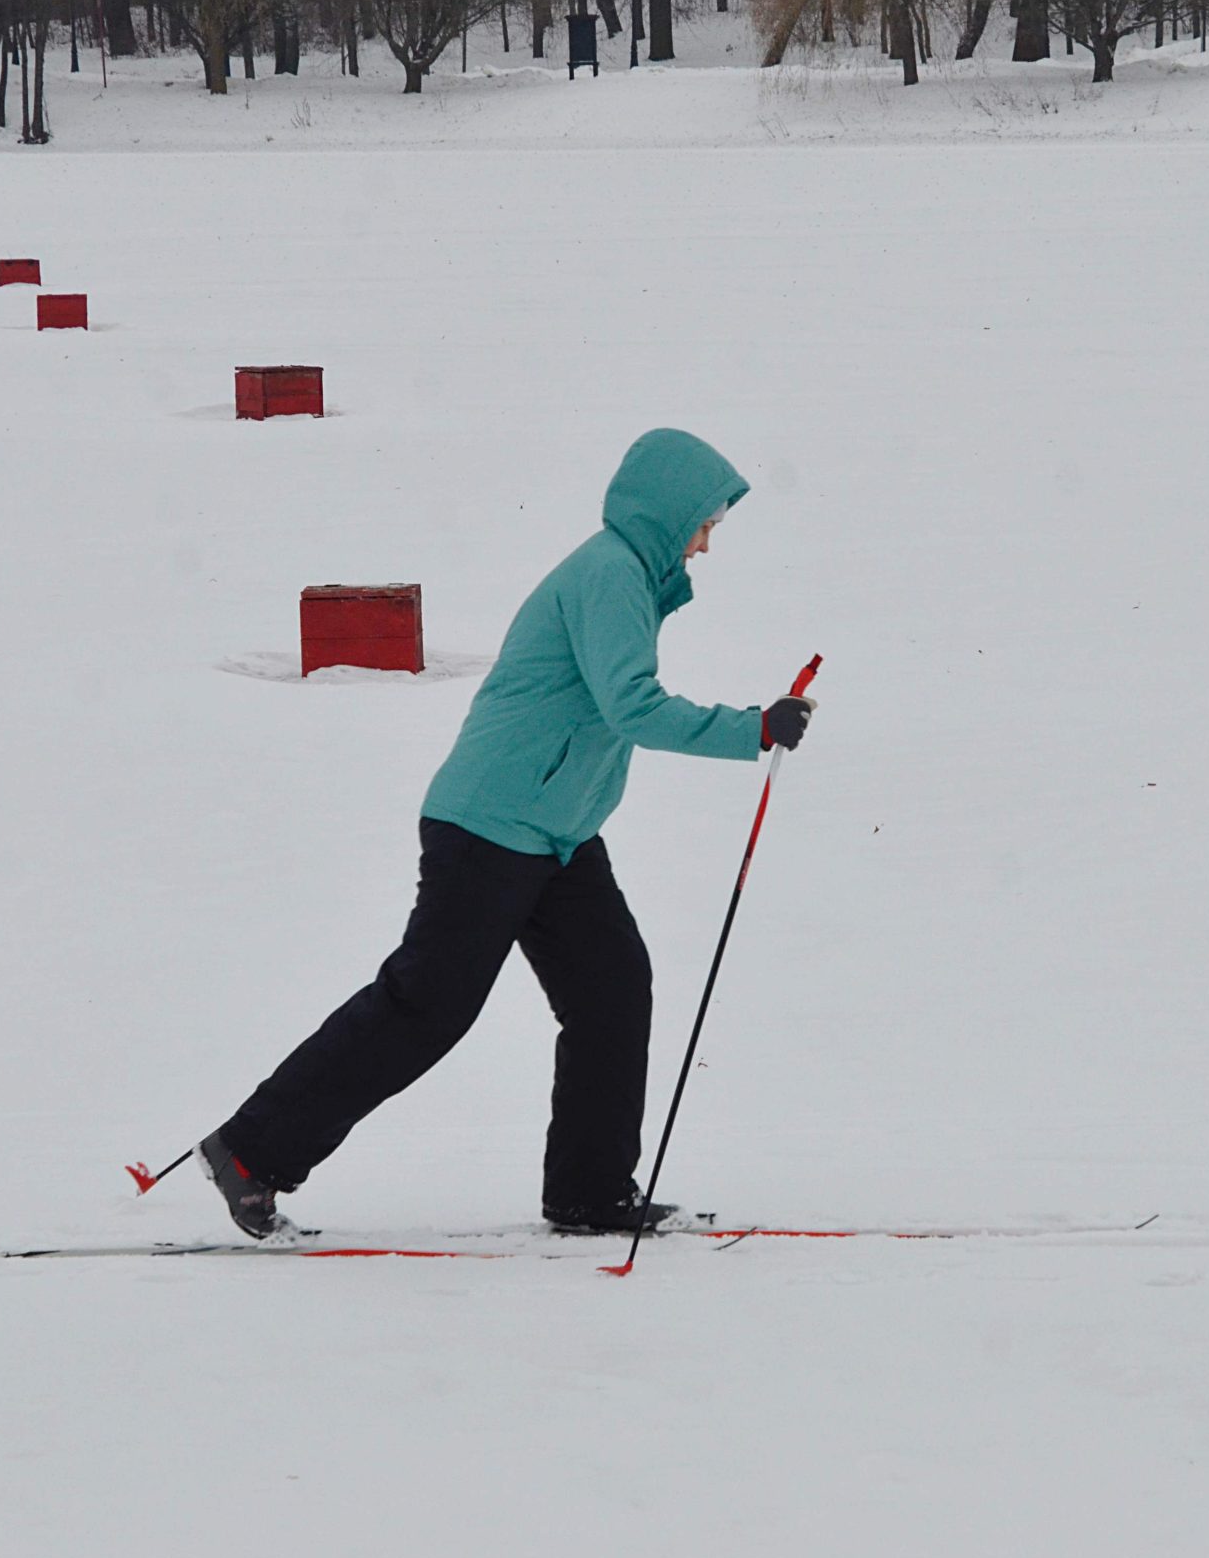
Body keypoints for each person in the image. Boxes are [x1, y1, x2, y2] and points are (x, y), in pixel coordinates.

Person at [200, 429, 817, 1239]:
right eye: (704, 522)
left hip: (555, 835)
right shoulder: (610, 576)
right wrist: (752, 731)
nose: (707, 541)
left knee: (612, 992)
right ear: (668, 514)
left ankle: (588, 1192)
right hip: (490, 825)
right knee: (426, 1006)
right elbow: (631, 703)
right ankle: (250, 1151)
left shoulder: (626, 577)